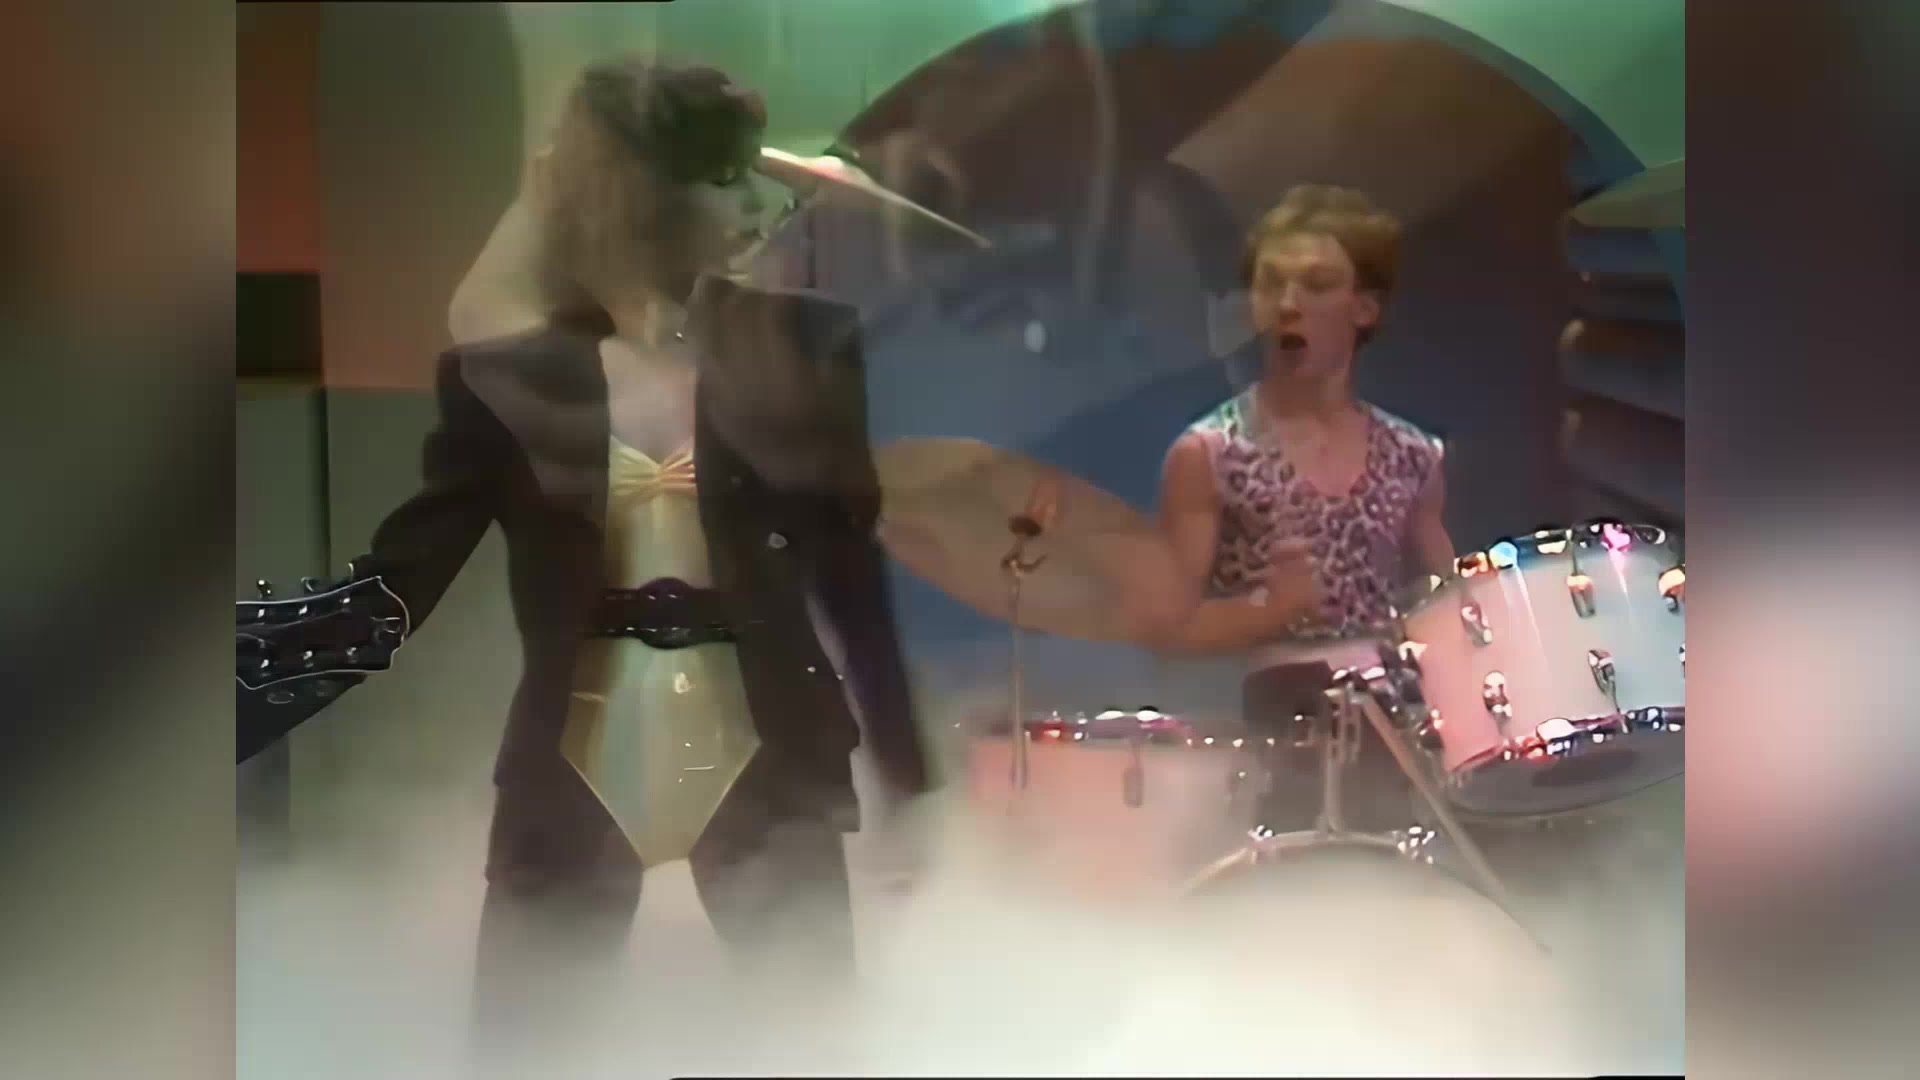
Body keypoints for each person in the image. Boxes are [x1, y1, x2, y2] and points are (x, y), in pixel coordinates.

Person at [237, 57, 935, 1060]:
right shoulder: (507, 378)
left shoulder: (807, 347)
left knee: (810, 1042)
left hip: (768, 744)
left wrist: (909, 772)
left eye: (752, 173)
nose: (760, 202)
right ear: (643, 195)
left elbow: (850, 575)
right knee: (525, 1046)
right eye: (725, 176)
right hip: (579, 751)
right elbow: (402, 580)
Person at [1148, 184, 1455, 832]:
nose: (1288, 304)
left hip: (1396, 736)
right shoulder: (1209, 453)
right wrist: (1267, 611)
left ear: (1364, 308)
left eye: (1316, 285)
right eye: (1271, 284)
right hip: (1282, 735)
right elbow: (1167, 629)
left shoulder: (1414, 455)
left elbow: (1451, 609)